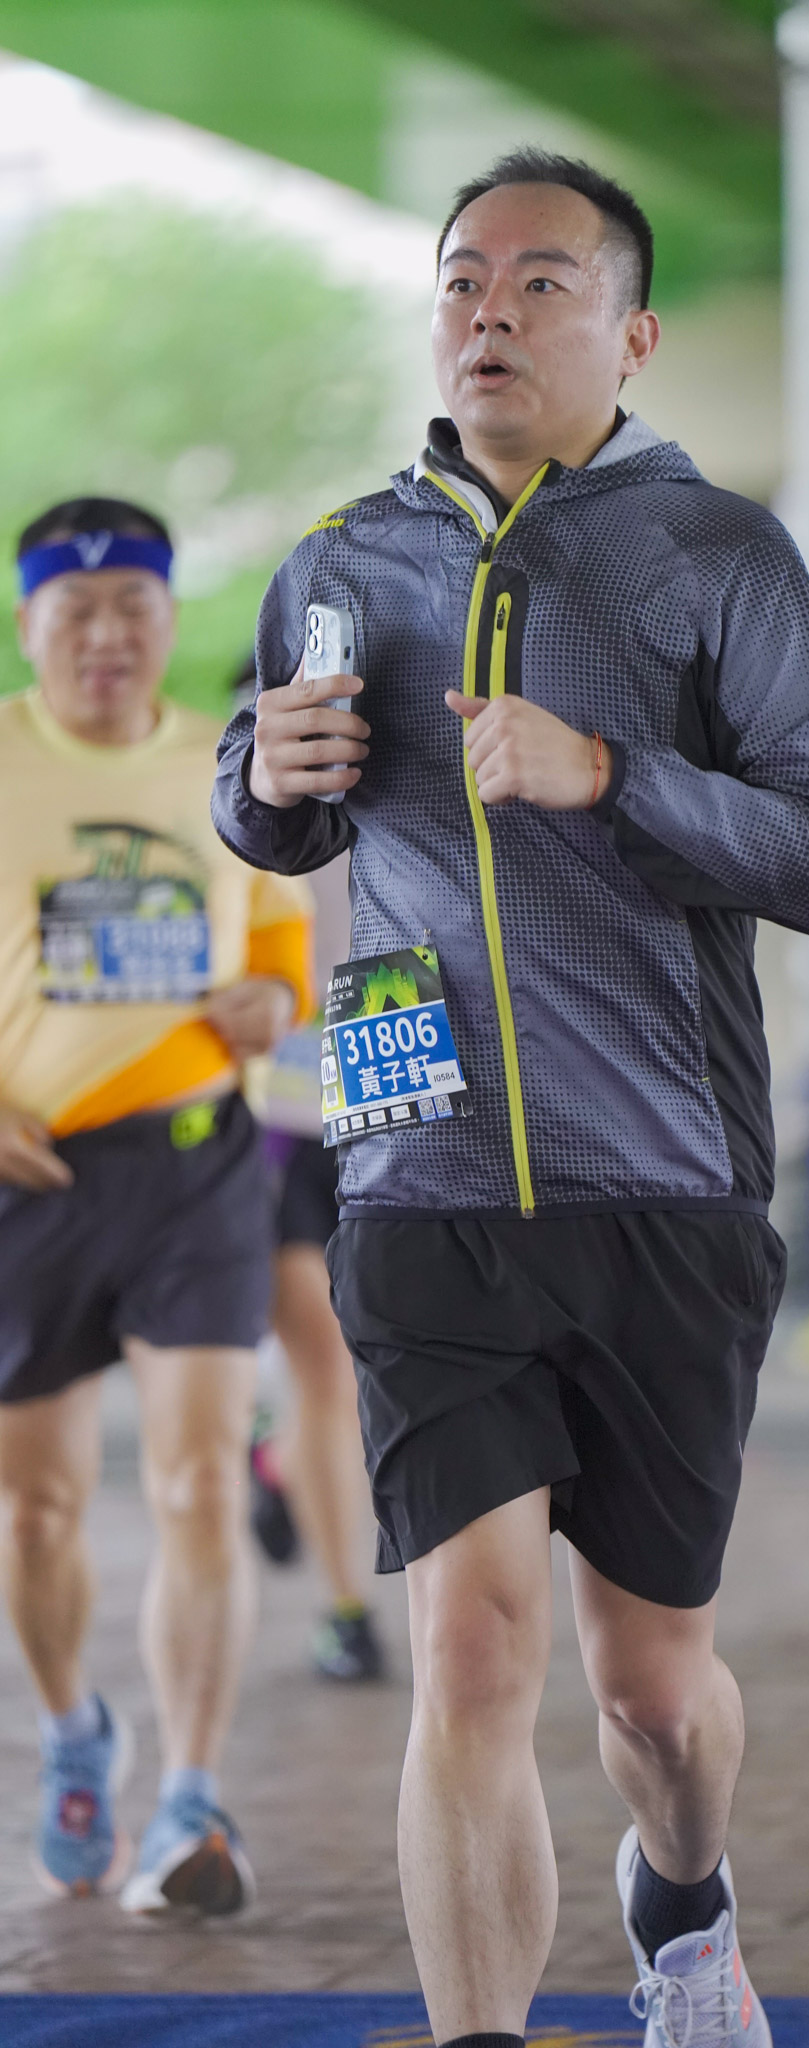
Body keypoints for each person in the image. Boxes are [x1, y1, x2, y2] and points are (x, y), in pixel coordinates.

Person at [213, 150, 809, 2048]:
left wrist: (613, 776)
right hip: (417, 1176)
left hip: (664, 1177)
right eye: (460, 279)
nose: (487, 312)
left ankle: (683, 1901)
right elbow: (269, 808)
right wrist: (266, 779)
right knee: (471, 1646)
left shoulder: (719, 554)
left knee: (650, 1693)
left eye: (538, 282)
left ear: (633, 333)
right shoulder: (340, 558)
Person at [0, 497, 312, 1913]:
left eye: (134, 607)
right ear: (30, 626)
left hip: (195, 1164)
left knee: (197, 1482)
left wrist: (277, 999)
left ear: (168, 618)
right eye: (77, 612)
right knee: (37, 1512)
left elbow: (282, 940)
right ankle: (75, 1730)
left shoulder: (224, 763)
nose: (108, 636)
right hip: (33, 1175)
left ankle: (191, 1797)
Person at [234, 653, 389, 1681]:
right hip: (277, 1119)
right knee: (325, 1364)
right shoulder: (235, 796)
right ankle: (348, 1608)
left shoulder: (396, 775)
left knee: (362, 1371)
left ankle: (277, 1456)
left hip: (385, 1094)